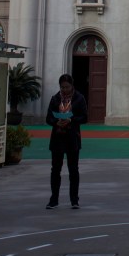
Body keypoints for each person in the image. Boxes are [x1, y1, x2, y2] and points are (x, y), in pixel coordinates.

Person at [45, 74, 88, 210]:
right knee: (55, 169)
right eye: (62, 87)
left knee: (73, 169)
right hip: (57, 138)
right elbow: (48, 118)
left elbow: (84, 117)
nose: (64, 90)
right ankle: (54, 199)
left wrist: (71, 120)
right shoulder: (55, 99)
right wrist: (56, 121)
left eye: (67, 87)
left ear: (72, 86)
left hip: (72, 138)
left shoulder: (79, 99)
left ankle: (74, 200)